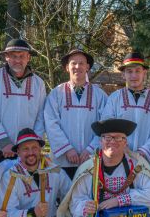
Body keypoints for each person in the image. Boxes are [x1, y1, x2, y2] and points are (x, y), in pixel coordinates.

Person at [44, 49, 107, 179]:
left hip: (91, 159)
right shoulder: (56, 94)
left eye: (81, 63)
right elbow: (51, 123)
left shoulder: (100, 95)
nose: (77, 67)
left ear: (87, 67)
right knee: (63, 197)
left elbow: (105, 124)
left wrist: (91, 149)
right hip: (62, 161)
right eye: (73, 63)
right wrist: (67, 149)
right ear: (67, 67)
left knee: (89, 196)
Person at [0, 39, 46, 158]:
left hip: (27, 151)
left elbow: (41, 116)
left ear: (28, 57)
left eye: (22, 56)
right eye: (13, 56)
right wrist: (4, 143)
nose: (18, 60)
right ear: (6, 57)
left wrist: (32, 143)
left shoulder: (38, 83)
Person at [101, 52, 150, 164]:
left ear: (144, 73)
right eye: (129, 71)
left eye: (137, 71)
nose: (134, 76)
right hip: (119, 158)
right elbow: (107, 126)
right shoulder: (114, 98)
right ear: (123, 74)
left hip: (147, 160)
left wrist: (145, 150)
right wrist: (121, 148)